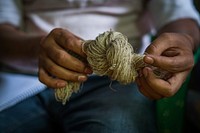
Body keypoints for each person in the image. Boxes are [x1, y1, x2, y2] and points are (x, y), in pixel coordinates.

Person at [0, 0, 199, 133]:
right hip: (22, 79)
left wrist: (183, 41)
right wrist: (37, 50)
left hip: (118, 80)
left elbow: (178, 13)